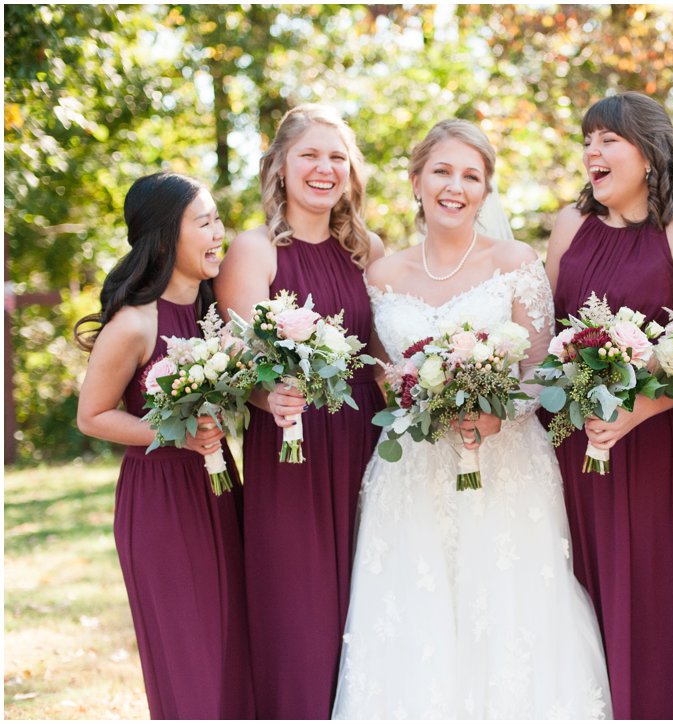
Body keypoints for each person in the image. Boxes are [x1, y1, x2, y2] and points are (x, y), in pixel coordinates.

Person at [332, 119, 611, 719]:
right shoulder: (381, 276)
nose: (454, 187)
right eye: (442, 171)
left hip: (506, 467)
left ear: (486, 191)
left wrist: (496, 413)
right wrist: (420, 399)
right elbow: (383, 376)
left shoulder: (513, 261)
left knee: (509, 613)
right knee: (416, 615)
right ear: (416, 180)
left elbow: (540, 371)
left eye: (471, 176)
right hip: (413, 475)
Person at [545, 90, 673, 719]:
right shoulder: (569, 226)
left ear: (649, 154)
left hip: (656, 451)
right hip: (573, 444)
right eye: (587, 139)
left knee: (654, 604)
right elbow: (547, 339)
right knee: (577, 602)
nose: (592, 151)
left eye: (608, 139)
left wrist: (636, 413)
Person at [214, 104, 385, 719]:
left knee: (363, 603)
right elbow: (235, 359)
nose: (324, 168)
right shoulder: (253, 250)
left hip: (364, 446)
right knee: (300, 608)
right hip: (292, 447)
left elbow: (386, 356)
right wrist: (269, 396)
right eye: (309, 155)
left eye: (337, 157)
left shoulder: (368, 252)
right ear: (280, 167)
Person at [74, 172, 254, 719]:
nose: (218, 232)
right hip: (161, 503)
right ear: (164, 237)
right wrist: (172, 433)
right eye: (204, 222)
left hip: (220, 487)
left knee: (233, 645)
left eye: (218, 218)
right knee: (191, 656)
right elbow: (92, 415)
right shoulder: (135, 323)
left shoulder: (213, 315)